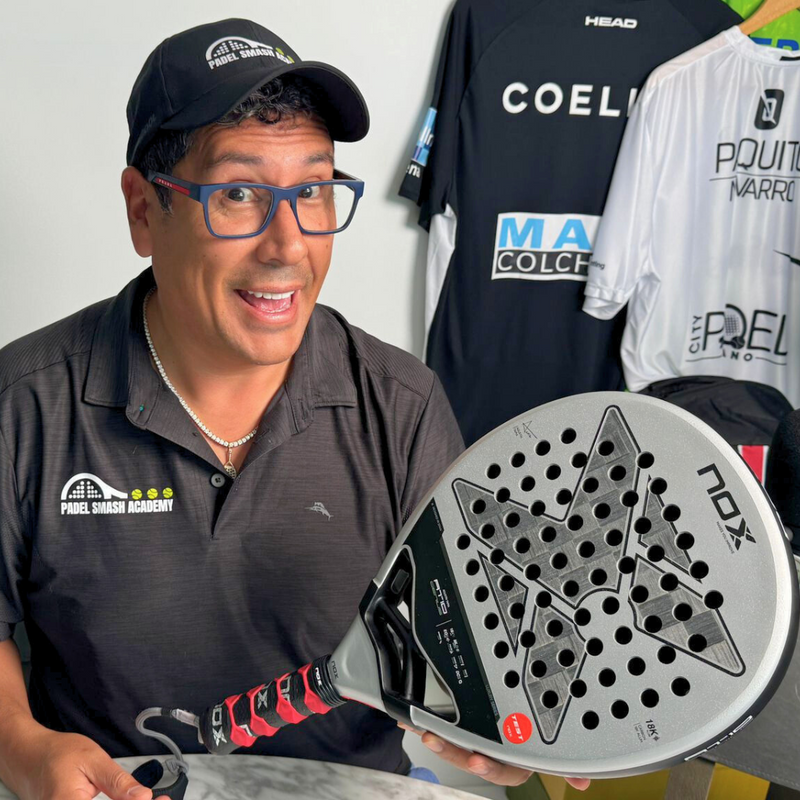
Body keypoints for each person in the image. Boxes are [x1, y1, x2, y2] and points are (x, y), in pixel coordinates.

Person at [0, 17, 589, 800]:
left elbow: (484, 644)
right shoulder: (24, 401)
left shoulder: (403, 406)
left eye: (312, 190)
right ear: (144, 210)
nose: (289, 244)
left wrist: (512, 731)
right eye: (239, 193)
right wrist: (22, 746)